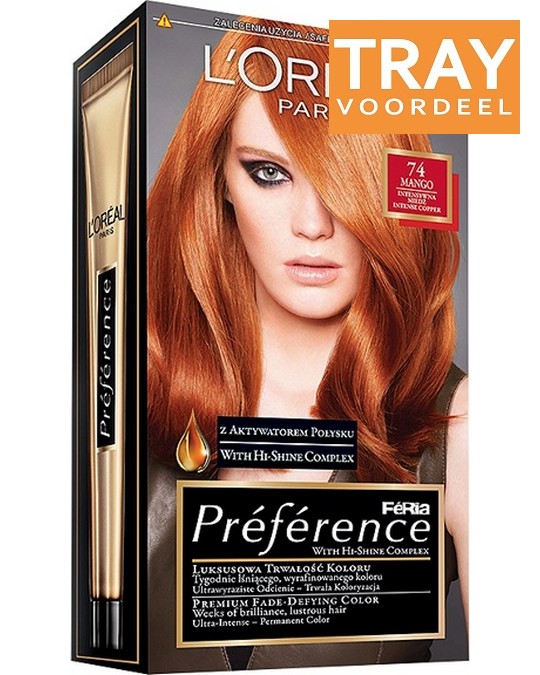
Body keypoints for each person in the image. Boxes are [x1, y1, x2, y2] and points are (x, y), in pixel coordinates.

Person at [146, 18, 468, 671]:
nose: (314, 224)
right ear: (220, 182)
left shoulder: (462, 427)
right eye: (268, 172)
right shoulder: (126, 398)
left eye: (347, 179)